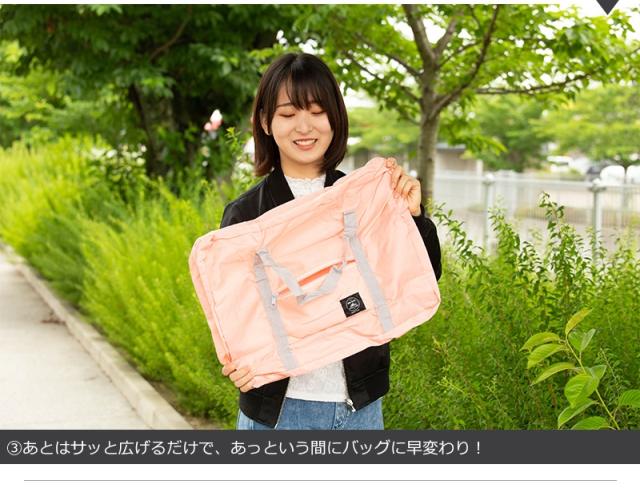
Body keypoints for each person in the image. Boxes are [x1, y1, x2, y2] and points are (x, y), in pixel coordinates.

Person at [218, 52, 442, 430]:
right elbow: (237, 315)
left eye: (317, 111)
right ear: (266, 122)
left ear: (334, 118)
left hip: (361, 411)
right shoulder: (246, 215)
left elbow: (422, 275)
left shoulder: (364, 199)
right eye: (288, 114)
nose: (304, 126)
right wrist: (238, 360)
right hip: (280, 413)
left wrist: (414, 217)